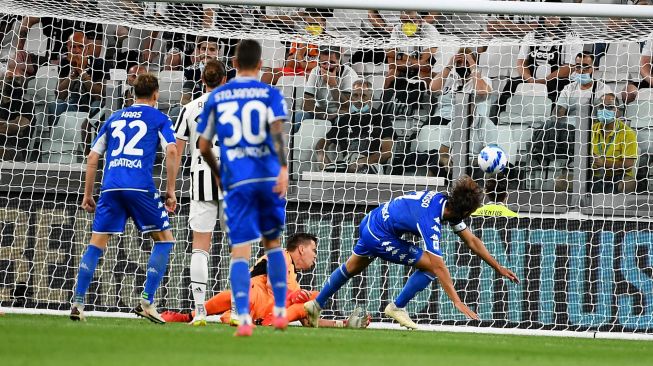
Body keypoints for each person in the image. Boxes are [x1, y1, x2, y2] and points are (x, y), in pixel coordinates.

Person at [303, 175, 520, 329]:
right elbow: (438, 265)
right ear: (464, 211)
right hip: (379, 234)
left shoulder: (443, 202)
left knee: (351, 268)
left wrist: (497, 267)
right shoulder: (431, 220)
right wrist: (457, 301)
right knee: (432, 266)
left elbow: (472, 240)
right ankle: (397, 307)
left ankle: (316, 304)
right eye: (469, 213)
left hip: (372, 221)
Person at [197, 39, 289, 337]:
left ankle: (244, 319)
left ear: (233, 65)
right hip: (266, 176)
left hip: (237, 179)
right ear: (261, 64)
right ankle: (278, 312)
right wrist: (284, 169)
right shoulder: (269, 93)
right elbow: (277, 133)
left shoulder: (219, 95)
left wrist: (220, 173)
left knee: (240, 251)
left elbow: (203, 145)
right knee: (273, 244)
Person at [69, 73, 179, 323]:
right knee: (165, 240)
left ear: (133, 94)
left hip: (110, 188)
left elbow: (92, 158)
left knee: (96, 244)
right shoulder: (159, 117)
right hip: (139, 186)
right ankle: (146, 301)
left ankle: (77, 303)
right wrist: (170, 190)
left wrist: (88, 194)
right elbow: (172, 149)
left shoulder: (114, 118)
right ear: (155, 95)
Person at [161, 233, 370, 328]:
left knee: (312, 299)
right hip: (251, 297)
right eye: (314, 251)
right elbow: (270, 284)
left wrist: (342, 324)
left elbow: (309, 321)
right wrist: (293, 297)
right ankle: (187, 316)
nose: (316, 256)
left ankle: (259, 320)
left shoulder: (294, 281)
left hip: (261, 309)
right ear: (301, 248)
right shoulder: (279, 255)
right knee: (308, 298)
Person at [173, 59, 227, 326]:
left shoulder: (189, 108)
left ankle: (200, 311)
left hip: (201, 176)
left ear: (203, 81)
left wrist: (170, 187)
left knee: (200, 247)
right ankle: (240, 309)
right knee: (239, 247)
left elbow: (177, 150)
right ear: (225, 80)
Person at [315, 79, 394, 173]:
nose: (359, 100)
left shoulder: (382, 119)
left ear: (371, 97)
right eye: (355, 95)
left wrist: (361, 162)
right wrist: (323, 159)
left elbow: (387, 152)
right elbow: (322, 144)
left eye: (363, 96)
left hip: (372, 167)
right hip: (347, 166)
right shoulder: (344, 120)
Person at [590, 93, 638, 193]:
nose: (604, 110)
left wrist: (604, 163)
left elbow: (628, 165)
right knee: (561, 182)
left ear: (618, 112)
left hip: (618, 176)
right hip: (592, 176)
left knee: (629, 184)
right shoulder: (589, 130)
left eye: (610, 107)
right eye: (601, 106)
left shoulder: (627, 133)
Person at [300, 46, 358, 124]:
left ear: (339, 61)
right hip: (319, 112)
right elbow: (306, 105)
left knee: (342, 120)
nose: (327, 67)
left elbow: (346, 107)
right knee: (300, 116)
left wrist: (332, 84)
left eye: (332, 62)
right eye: (324, 63)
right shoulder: (315, 71)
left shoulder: (349, 74)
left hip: (340, 114)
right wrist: (325, 116)